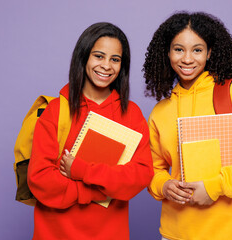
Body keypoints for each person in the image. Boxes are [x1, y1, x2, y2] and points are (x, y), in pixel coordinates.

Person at [143, 12, 232, 240]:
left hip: (228, 232)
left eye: (197, 50)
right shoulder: (160, 111)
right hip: (174, 232)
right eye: (178, 49)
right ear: (167, 53)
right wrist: (163, 185)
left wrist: (214, 187)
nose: (187, 59)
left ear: (209, 52)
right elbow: (152, 169)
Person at [28, 22, 153, 240]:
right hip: (54, 234)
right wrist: (97, 190)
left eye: (115, 59)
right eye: (99, 56)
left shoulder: (131, 114)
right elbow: (40, 179)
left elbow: (141, 175)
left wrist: (81, 170)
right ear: (83, 57)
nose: (106, 65)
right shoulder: (56, 111)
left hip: (110, 234)